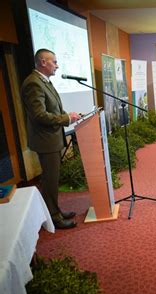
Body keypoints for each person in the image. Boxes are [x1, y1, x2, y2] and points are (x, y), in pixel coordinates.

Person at [21, 48, 80, 229]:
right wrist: (67, 118)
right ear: (43, 62)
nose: (57, 65)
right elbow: (39, 115)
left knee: (52, 180)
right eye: (54, 61)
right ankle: (53, 217)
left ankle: (55, 210)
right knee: (49, 181)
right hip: (46, 140)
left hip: (51, 138)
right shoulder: (33, 83)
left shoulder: (44, 81)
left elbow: (53, 108)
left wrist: (67, 115)